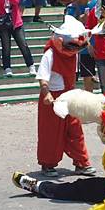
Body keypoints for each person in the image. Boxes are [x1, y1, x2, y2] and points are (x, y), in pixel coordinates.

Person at [35, 15, 96, 177]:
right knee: (51, 133)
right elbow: (42, 76)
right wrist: (46, 93)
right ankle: (48, 164)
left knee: (75, 129)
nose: (75, 50)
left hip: (70, 96)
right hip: (53, 98)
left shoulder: (74, 53)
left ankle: (82, 163)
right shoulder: (50, 53)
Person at [65, 0, 97, 92]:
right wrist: (80, 20)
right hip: (82, 47)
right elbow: (67, 27)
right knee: (87, 75)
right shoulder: (71, 7)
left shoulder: (96, 3)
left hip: (98, 44)